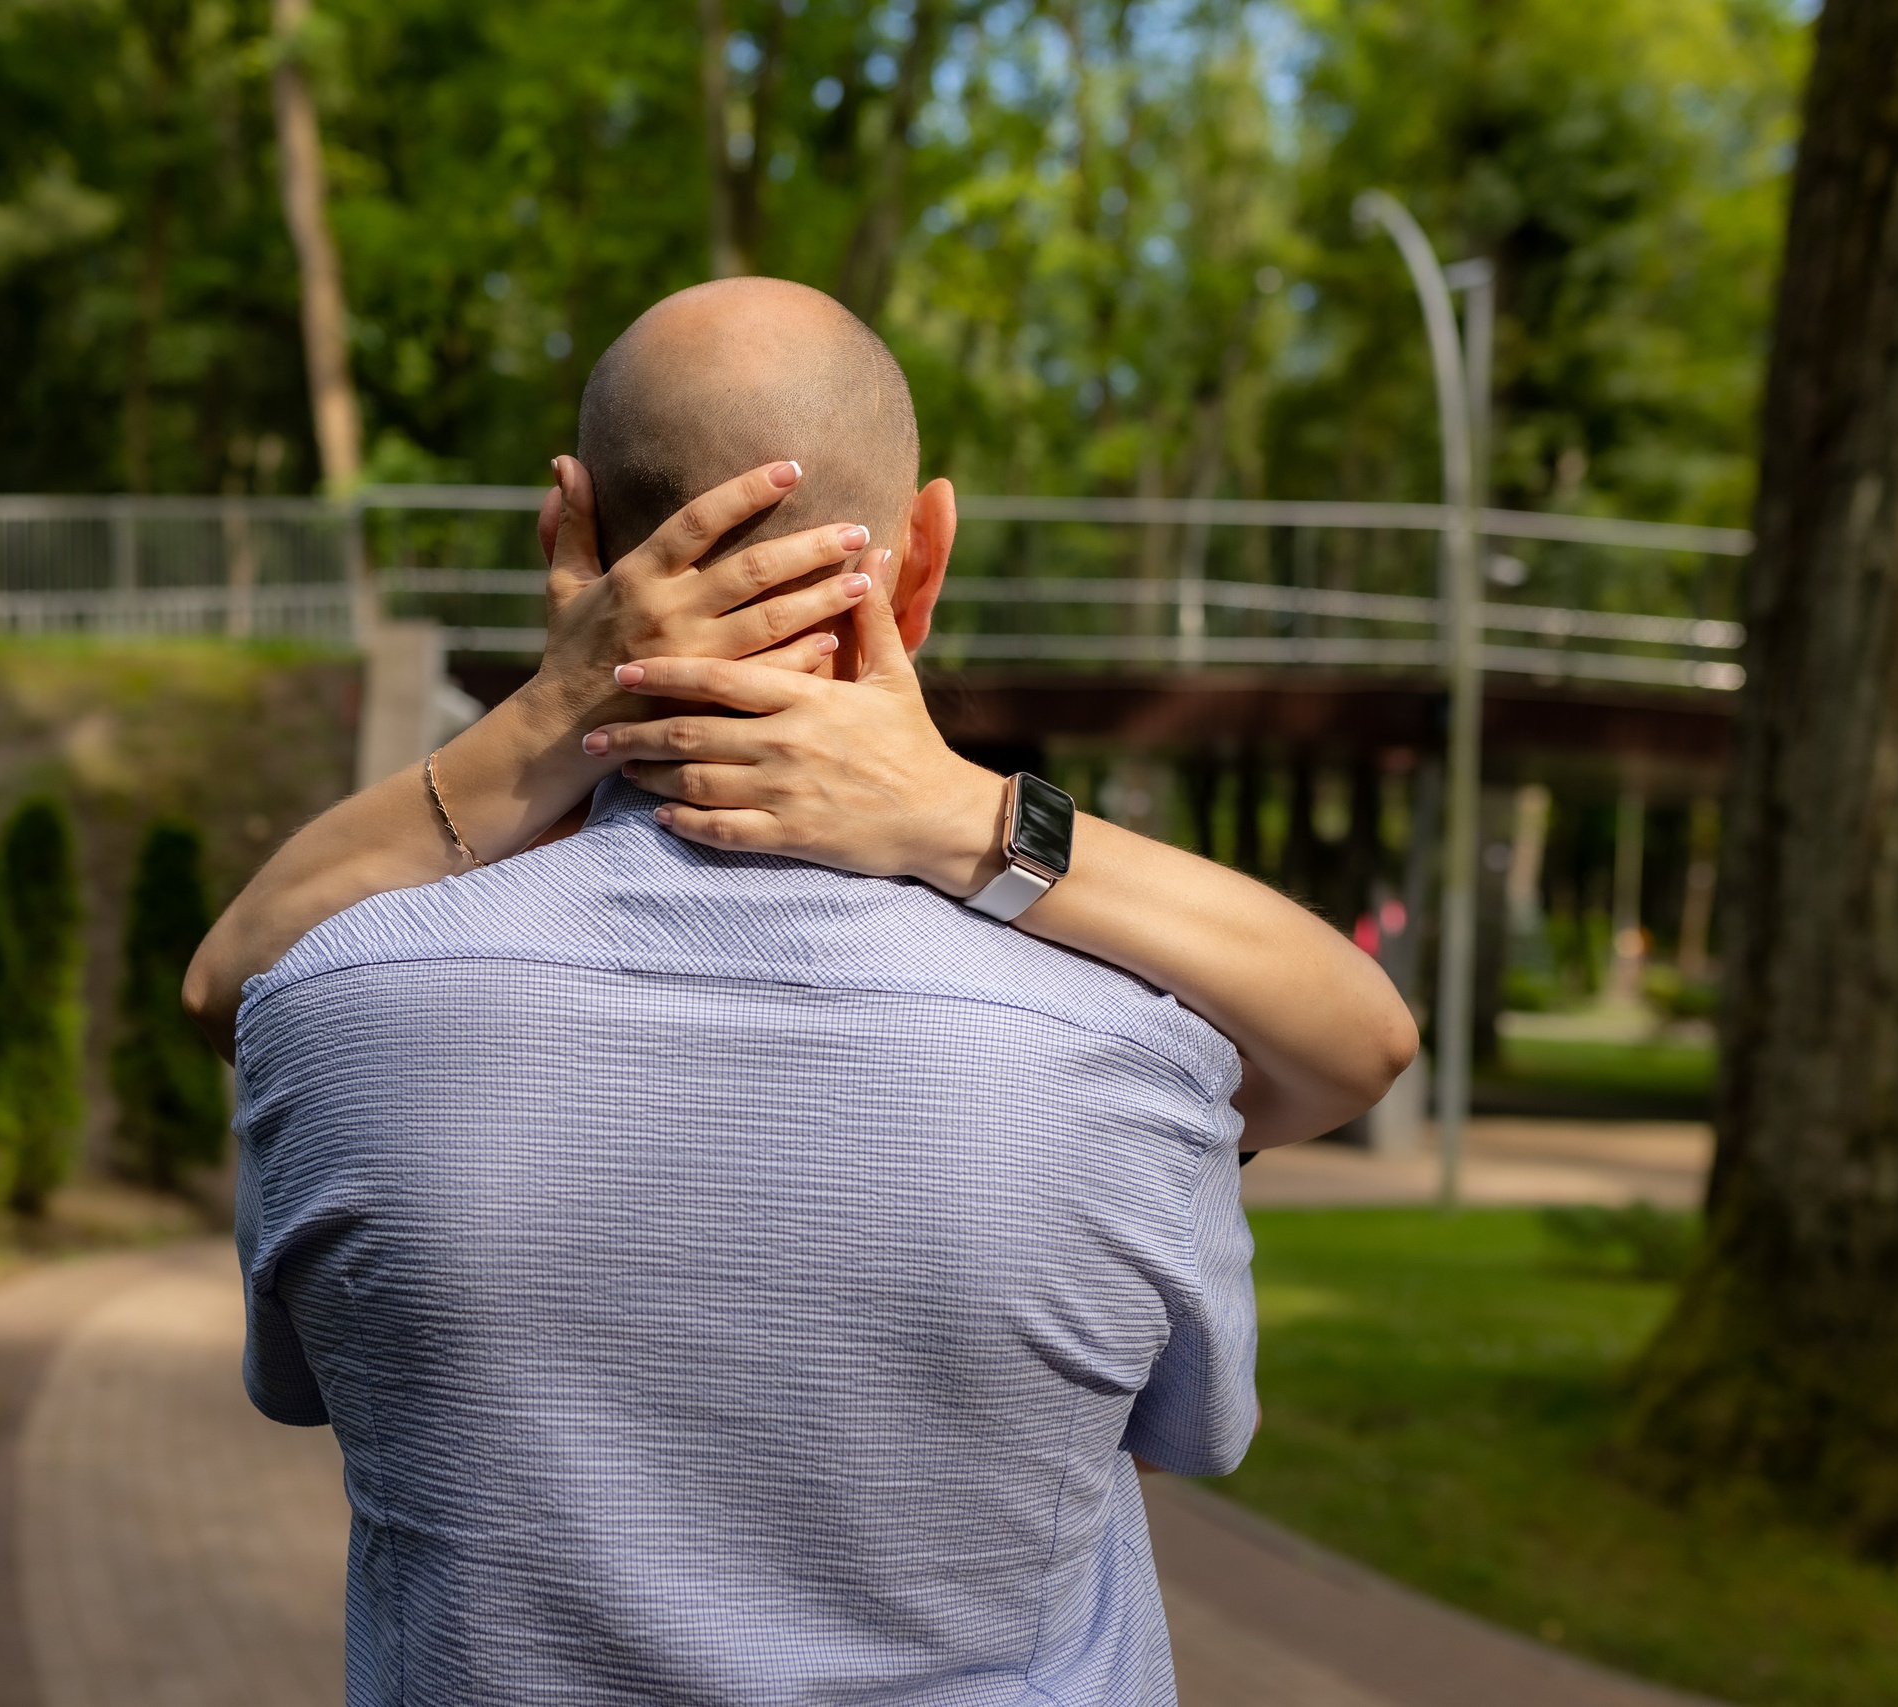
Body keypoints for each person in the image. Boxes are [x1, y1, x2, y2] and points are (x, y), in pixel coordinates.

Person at [195, 278, 1415, 1704]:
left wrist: (549, 715)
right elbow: (1358, 1046)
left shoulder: (339, 1012)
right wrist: (975, 818)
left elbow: (230, 984)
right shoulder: (1124, 1053)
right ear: (925, 556)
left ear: (570, 535)